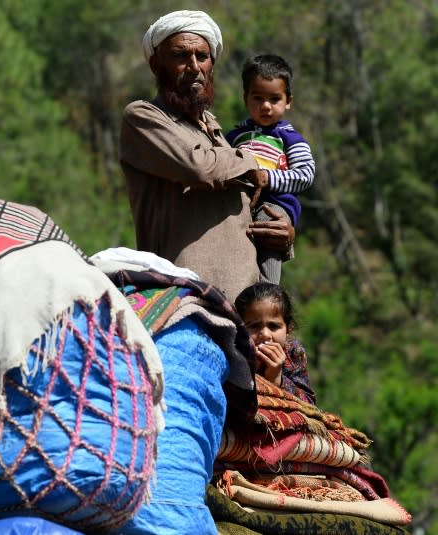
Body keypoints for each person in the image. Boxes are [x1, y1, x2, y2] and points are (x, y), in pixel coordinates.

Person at [120, 10, 295, 301]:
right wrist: (250, 162)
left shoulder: (216, 131)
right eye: (180, 56)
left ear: (211, 65)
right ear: (155, 64)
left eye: (202, 56)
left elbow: (244, 210)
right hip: (183, 301)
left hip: (245, 304)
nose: (193, 66)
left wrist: (283, 236)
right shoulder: (143, 117)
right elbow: (198, 166)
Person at [226, 55, 315, 284]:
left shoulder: (289, 137)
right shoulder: (234, 137)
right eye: (258, 98)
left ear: (288, 101)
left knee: (269, 232)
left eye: (274, 99)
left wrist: (267, 178)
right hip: (240, 204)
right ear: (246, 98)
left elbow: (305, 174)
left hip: (273, 204)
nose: (266, 106)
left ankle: (269, 291)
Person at [234, 282, 315, 404]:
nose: (265, 334)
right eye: (254, 326)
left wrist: (277, 379)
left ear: (288, 330)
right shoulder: (233, 350)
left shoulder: (293, 352)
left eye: (273, 326)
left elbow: (309, 403)